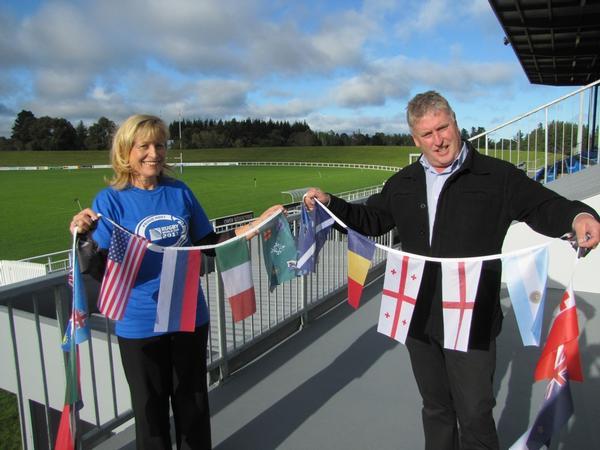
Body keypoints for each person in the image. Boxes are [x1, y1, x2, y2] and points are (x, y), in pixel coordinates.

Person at [304, 91, 600, 450]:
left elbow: (543, 206)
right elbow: (372, 219)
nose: (438, 140)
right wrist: (331, 205)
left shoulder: (497, 176)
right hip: (418, 315)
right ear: (415, 139)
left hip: (472, 319)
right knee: (436, 408)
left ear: (456, 122)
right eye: (427, 134)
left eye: (443, 128)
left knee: (475, 413)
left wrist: (579, 215)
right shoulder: (404, 182)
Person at [69, 114, 282, 450]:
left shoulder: (179, 192)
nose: (154, 153)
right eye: (144, 146)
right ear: (126, 151)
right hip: (139, 322)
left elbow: (208, 244)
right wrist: (83, 236)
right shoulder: (109, 201)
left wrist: (251, 228)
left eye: (160, 145)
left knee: (192, 401)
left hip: (187, 313)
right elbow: (98, 269)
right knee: (150, 410)